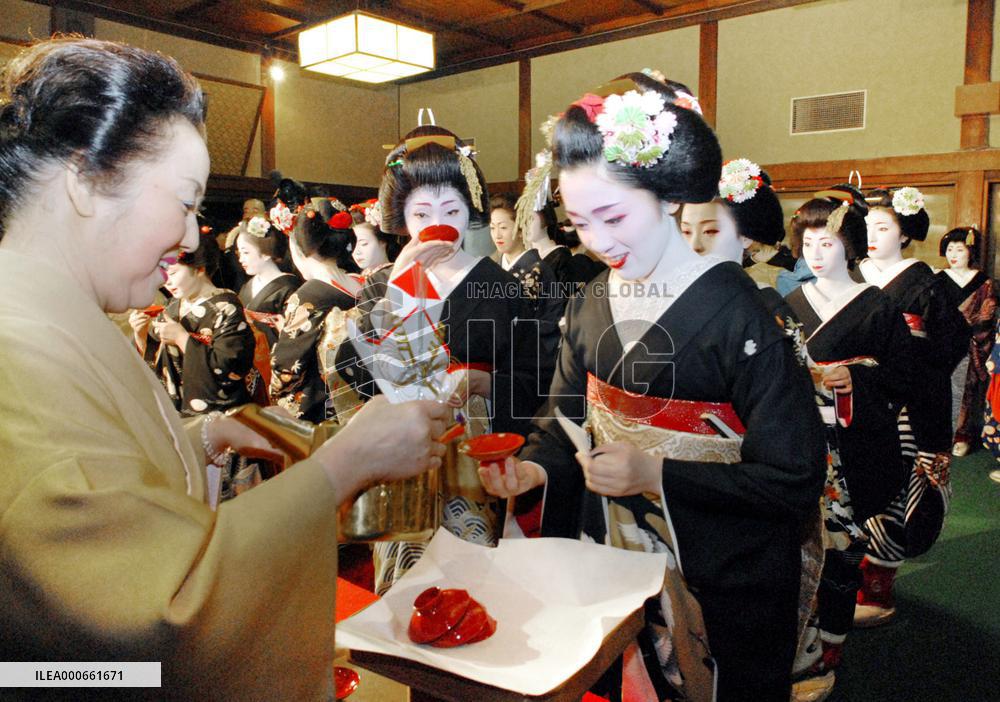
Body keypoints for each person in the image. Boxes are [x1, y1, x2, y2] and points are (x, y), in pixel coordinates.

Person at [0, 37, 449, 700]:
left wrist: (199, 440)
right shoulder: (17, 351)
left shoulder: (45, 315)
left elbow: (92, 496)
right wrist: (341, 468)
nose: (190, 238)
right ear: (87, 180)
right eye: (184, 203)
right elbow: (152, 619)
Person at [479, 71, 826, 702]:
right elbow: (563, 417)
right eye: (580, 223)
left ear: (670, 196)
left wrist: (657, 474)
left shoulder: (747, 318)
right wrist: (533, 470)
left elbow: (794, 475)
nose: (599, 242)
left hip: (717, 570)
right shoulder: (589, 300)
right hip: (610, 551)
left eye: (613, 216)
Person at [337, 124, 559, 593]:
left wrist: (486, 385)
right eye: (421, 211)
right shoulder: (382, 284)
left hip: (474, 450)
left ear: (469, 211)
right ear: (402, 218)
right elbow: (352, 373)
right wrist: (401, 285)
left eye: (451, 209)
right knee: (405, 584)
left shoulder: (498, 286)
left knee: (475, 583)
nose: (438, 221)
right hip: (401, 450)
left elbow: (537, 375)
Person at [783, 186, 914, 702]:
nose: (816, 254)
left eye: (828, 243)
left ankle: (830, 641)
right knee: (794, 543)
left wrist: (855, 377)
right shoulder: (787, 304)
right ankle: (795, 635)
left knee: (840, 545)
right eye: (809, 242)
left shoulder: (877, 306)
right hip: (795, 439)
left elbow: (904, 377)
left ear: (850, 246)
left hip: (853, 443)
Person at [853, 187, 971, 627]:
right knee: (846, 488)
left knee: (892, 493)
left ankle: (878, 590)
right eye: (867, 227)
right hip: (851, 400)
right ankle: (844, 580)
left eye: (883, 227)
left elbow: (950, 345)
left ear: (905, 235)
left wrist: (902, 363)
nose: (872, 235)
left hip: (904, 407)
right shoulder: (851, 274)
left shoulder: (926, 285)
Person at [271, 198, 360, 423]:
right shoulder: (360, 284)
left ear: (301, 250)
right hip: (358, 396)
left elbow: (287, 367)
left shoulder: (309, 296)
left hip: (321, 404)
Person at [936, 227, 996, 457]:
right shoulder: (937, 279)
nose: (953, 255)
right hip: (942, 342)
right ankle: (941, 433)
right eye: (950, 249)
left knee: (965, 391)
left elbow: (986, 314)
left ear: (970, 252)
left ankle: (962, 434)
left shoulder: (983, 281)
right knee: (941, 387)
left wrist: (974, 334)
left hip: (970, 342)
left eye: (959, 249)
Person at [236, 215, 300, 351]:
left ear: (266, 254)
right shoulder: (247, 285)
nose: (241, 259)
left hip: (275, 354)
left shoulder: (289, 288)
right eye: (239, 253)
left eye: (246, 252)